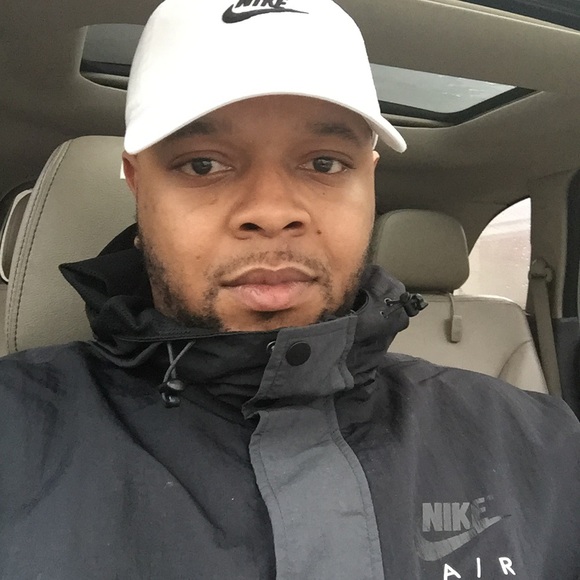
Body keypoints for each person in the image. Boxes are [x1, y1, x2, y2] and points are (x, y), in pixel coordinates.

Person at [1, 0, 579, 578]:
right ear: (136, 183)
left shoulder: (539, 445)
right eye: (202, 165)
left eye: (325, 163)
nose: (273, 212)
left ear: (369, 180)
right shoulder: (18, 434)